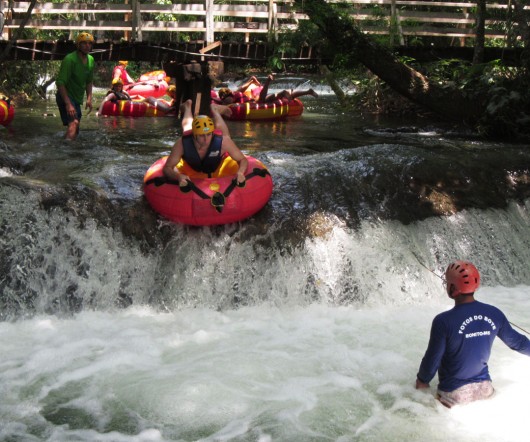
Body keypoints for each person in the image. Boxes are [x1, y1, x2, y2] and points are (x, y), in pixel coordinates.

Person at [416, 260, 530, 408]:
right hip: (485, 389)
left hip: (455, 395)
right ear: (476, 285)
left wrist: (422, 381)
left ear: (452, 288)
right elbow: (518, 343)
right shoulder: (494, 313)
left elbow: (433, 358)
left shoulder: (442, 321)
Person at [163, 100, 247, 186]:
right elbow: (167, 168)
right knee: (187, 127)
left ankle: (215, 110)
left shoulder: (223, 142)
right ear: (194, 135)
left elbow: (242, 159)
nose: (206, 139)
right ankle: (187, 107)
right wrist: (178, 177)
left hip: (219, 156)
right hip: (191, 158)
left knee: (225, 135)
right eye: (201, 136)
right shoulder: (182, 143)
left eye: (208, 134)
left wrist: (240, 173)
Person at [55, 32, 95, 140]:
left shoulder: (91, 60)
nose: (87, 46)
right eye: (84, 43)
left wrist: (89, 98)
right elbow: (60, 83)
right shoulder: (69, 59)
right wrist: (68, 104)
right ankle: (65, 152)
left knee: (75, 129)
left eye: (89, 43)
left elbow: (89, 81)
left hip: (77, 98)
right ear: (78, 45)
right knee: (74, 123)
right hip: (65, 96)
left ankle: (63, 145)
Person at [216, 74, 318, 105]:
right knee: (281, 94)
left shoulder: (232, 95)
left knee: (262, 100)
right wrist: (251, 81)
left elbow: (228, 103)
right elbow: (242, 88)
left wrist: (251, 81)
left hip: (256, 101)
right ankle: (308, 91)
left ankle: (268, 81)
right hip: (255, 99)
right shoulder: (236, 93)